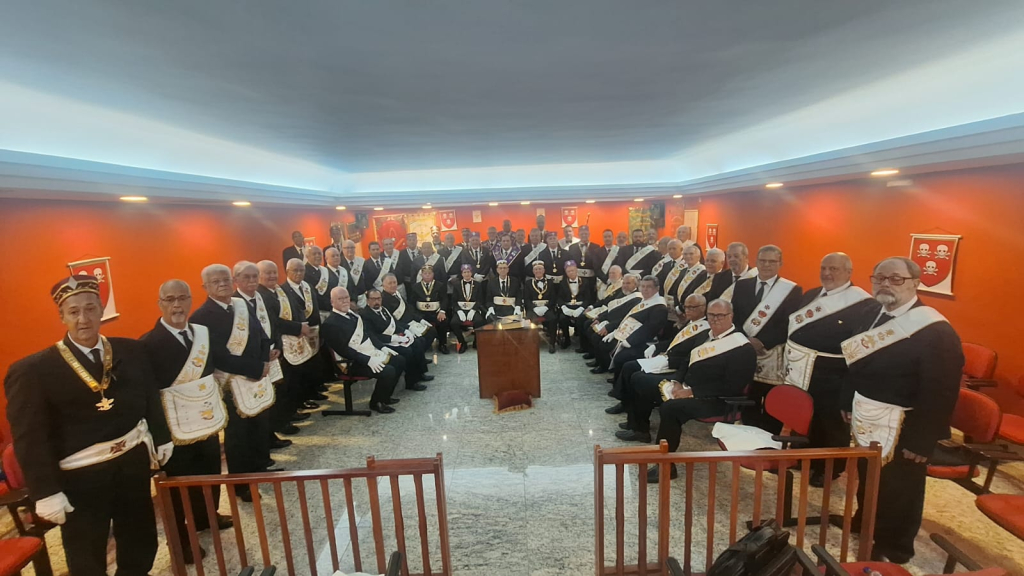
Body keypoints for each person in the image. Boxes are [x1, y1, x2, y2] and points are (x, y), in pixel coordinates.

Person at [5, 275, 172, 576]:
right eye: (74, 311)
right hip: (80, 478)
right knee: (87, 552)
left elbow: (149, 396)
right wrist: (45, 491)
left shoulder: (131, 351)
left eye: (90, 309)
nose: (83, 319)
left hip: (131, 463)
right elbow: (30, 438)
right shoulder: (34, 371)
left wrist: (161, 436)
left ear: (101, 311)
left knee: (140, 538)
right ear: (62, 316)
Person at [842, 257, 962, 564]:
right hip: (866, 412)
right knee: (868, 474)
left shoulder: (936, 332)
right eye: (879, 277)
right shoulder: (870, 313)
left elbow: (941, 392)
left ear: (915, 283)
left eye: (896, 279)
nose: (885, 284)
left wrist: (922, 441)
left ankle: (894, 545)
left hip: (904, 423)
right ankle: (865, 521)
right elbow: (853, 363)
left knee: (900, 488)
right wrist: (847, 401)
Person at [140, 279, 231, 564]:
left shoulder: (201, 334)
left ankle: (207, 517)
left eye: (182, 298)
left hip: (205, 420)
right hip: (175, 431)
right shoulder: (148, 344)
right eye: (170, 300)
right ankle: (180, 542)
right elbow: (148, 396)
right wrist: (159, 437)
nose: (177, 305)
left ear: (191, 300)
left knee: (210, 474)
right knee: (179, 489)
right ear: (160, 304)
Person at [785, 253, 874, 486]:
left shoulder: (864, 305)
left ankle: (829, 469)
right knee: (805, 417)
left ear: (848, 272)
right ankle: (804, 457)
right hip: (802, 370)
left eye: (834, 269)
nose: (827, 273)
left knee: (831, 423)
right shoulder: (811, 295)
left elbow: (858, 348)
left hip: (834, 375)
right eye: (824, 268)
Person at [648, 299, 757, 482]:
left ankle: (666, 465)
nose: (715, 319)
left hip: (720, 400)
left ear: (731, 316)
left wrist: (692, 392)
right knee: (654, 389)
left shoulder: (742, 348)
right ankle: (652, 445)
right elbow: (686, 362)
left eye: (720, 315)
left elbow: (733, 386)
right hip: (691, 389)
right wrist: (677, 382)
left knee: (671, 409)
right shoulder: (705, 336)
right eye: (711, 315)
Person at [189, 264, 271, 501]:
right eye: (216, 282)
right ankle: (241, 486)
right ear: (205, 287)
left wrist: (264, 361)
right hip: (230, 383)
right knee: (238, 436)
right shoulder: (200, 317)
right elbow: (218, 356)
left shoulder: (241, 305)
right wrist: (256, 368)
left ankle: (259, 470)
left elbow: (261, 335)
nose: (223, 284)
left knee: (258, 427)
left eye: (225, 279)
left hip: (255, 378)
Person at [610, 294, 710, 437]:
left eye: (692, 307)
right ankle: (628, 411)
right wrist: (656, 347)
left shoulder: (705, 329)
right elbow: (672, 342)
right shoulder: (690, 322)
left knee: (638, 377)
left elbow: (690, 357)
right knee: (629, 367)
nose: (687, 310)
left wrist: (667, 360)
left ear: (703, 308)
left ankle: (640, 429)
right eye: (686, 307)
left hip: (676, 366)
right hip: (666, 358)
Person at [731, 245, 803, 429]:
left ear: (780, 263)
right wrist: (745, 340)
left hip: (772, 354)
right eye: (762, 261)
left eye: (772, 261)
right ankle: (747, 431)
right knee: (747, 396)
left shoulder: (792, 290)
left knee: (771, 399)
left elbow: (789, 324)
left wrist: (763, 342)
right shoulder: (742, 285)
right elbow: (734, 317)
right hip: (744, 349)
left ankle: (769, 436)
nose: (766, 265)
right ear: (756, 261)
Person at [233, 262, 284, 472]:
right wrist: (262, 357)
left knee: (268, 401)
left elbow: (273, 324)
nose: (252, 281)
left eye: (255, 277)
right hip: (249, 368)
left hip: (269, 356)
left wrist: (277, 346)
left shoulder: (261, 297)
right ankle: (258, 456)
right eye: (247, 277)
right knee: (254, 410)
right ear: (236, 280)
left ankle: (268, 441)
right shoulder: (235, 304)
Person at [321, 287, 403, 414]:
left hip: (366, 353)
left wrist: (382, 347)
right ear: (332, 302)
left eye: (346, 297)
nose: (345, 301)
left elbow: (367, 335)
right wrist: (368, 360)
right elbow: (344, 351)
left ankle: (385, 396)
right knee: (388, 371)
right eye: (340, 299)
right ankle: (376, 402)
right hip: (350, 363)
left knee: (399, 360)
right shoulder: (330, 323)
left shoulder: (352, 315)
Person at [256, 260, 304, 439]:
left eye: (274, 272)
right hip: (270, 349)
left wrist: (277, 345)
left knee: (287, 385)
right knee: (279, 389)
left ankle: (289, 415)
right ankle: (281, 423)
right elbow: (274, 322)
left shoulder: (277, 291)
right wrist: (298, 327)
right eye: (267, 273)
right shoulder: (261, 295)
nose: (272, 276)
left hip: (280, 345)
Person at [589, 275, 668, 377]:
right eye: (643, 286)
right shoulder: (645, 300)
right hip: (629, 333)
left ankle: (618, 382)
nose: (645, 289)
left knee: (621, 357)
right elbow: (628, 318)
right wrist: (615, 332)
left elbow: (648, 330)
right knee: (603, 343)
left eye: (649, 287)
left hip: (644, 341)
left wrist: (629, 341)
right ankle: (612, 374)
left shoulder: (659, 307)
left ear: (657, 289)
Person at [360, 288, 433, 391]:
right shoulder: (365, 315)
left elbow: (394, 324)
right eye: (373, 299)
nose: (377, 301)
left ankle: (420, 374)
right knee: (407, 351)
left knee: (417, 342)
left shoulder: (383, 309)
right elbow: (372, 336)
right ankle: (411, 382)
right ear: (367, 300)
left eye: (379, 299)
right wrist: (393, 338)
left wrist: (405, 330)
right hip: (382, 343)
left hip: (394, 338)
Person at [281, 258, 326, 408]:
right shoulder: (282, 290)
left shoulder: (308, 287)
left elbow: (315, 309)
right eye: (295, 270)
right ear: (287, 271)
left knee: (313, 363)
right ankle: (303, 398)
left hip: (313, 331)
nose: (299, 273)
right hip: (296, 335)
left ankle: (313, 391)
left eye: (302, 270)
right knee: (301, 367)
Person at [581, 270, 638, 359]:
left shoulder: (637, 298)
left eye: (628, 283)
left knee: (596, 336)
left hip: (618, 325)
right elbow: (610, 308)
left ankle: (602, 362)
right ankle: (594, 355)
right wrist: (600, 318)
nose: (625, 285)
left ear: (635, 285)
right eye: (624, 283)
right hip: (609, 319)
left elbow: (626, 318)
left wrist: (608, 327)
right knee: (589, 325)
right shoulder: (622, 293)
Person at [411, 264, 450, 354]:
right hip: (421, 313)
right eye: (425, 273)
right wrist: (416, 316)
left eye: (429, 273)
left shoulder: (440, 285)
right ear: (421, 275)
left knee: (443, 321)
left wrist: (442, 311)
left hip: (435, 312)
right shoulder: (415, 286)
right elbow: (412, 303)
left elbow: (445, 299)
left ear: (433, 274)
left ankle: (442, 344)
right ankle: (423, 345)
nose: (427, 275)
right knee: (416, 323)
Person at [524, 261, 560, 353]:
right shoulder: (528, 283)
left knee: (553, 319)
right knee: (530, 320)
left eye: (540, 269)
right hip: (534, 308)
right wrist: (534, 308)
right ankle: (532, 343)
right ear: (533, 271)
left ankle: (552, 343)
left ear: (544, 270)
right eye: (536, 269)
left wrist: (546, 307)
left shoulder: (550, 282)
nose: (538, 271)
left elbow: (553, 298)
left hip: (547, 308)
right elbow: (526, 299)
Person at [450, 264, 486, 352]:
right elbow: (453, 301)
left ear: (471, 273)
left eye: (468, 272)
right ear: (462, 274)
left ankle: (476, 342)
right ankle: (462, 342)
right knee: (453, 323)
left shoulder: (477, 284)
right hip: (461, 310)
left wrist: (473, 310)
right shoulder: (457, 285)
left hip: (473, 309)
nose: (467, 274)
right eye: (465, 272)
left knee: (480, 321)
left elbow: (480, 300)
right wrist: (459, 311)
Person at [557, 260, 592, 349]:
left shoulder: (585, 281)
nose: (571, 273)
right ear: (566, 272)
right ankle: (567, 340)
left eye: (572, 270)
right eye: (568, 271)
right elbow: (559, 298)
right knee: (562, 318)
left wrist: (582, 308)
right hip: (568, 306)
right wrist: (564, 307)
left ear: (576, 270)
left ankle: (582, 344)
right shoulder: (562, 283)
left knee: (581, 319)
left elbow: (588, 298)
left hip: (580, 306)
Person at [567, 225, 602, 296]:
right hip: (578, 278)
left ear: (589, 234)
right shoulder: (572, 247)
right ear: (578, 234)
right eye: (582, 234)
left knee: (591, 296)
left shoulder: (596, 247)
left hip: (591, 279)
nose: (584, 235)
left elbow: (598, 265)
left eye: (585, 233)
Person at [304, 246, 333, 321]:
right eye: (314, 254)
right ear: (307, 256)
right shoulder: (304, 271)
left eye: (319, 254)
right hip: (318, 310)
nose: (317, 256)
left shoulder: (324, 270)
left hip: (329, 309)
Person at [341, 240, 367, 308]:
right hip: (348, 299)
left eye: (352, 247)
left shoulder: (361, 261)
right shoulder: (339, 263)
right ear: (342, 249)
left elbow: (367, 279)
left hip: (362, 298)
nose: (350, 250)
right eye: (347, 248)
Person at [594, 229, 619, 298]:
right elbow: (596, 268)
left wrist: (613, 278)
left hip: (616, 281)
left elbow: (620, 266)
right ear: (603, 238)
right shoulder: (597, 252)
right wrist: (606, 280)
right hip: (602, 282)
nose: (607, 238)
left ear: (613, 237)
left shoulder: (619, 250)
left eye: (609, 236)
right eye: (605, 237)